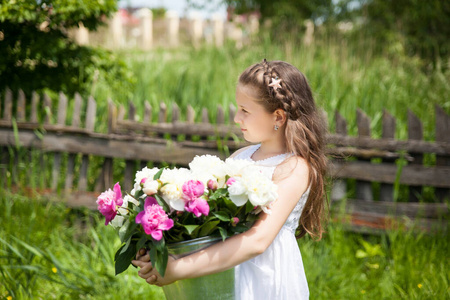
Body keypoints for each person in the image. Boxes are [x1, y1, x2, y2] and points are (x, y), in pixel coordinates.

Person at [132, 59, 328, 299]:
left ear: (278, 117)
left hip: (265, 280)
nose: (237, 117)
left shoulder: (294, 167)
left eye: (245, 110)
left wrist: (178, 269)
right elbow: (209, 219)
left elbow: (258, 241)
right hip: (223, 271)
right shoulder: (240, 157)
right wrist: (163, 250)